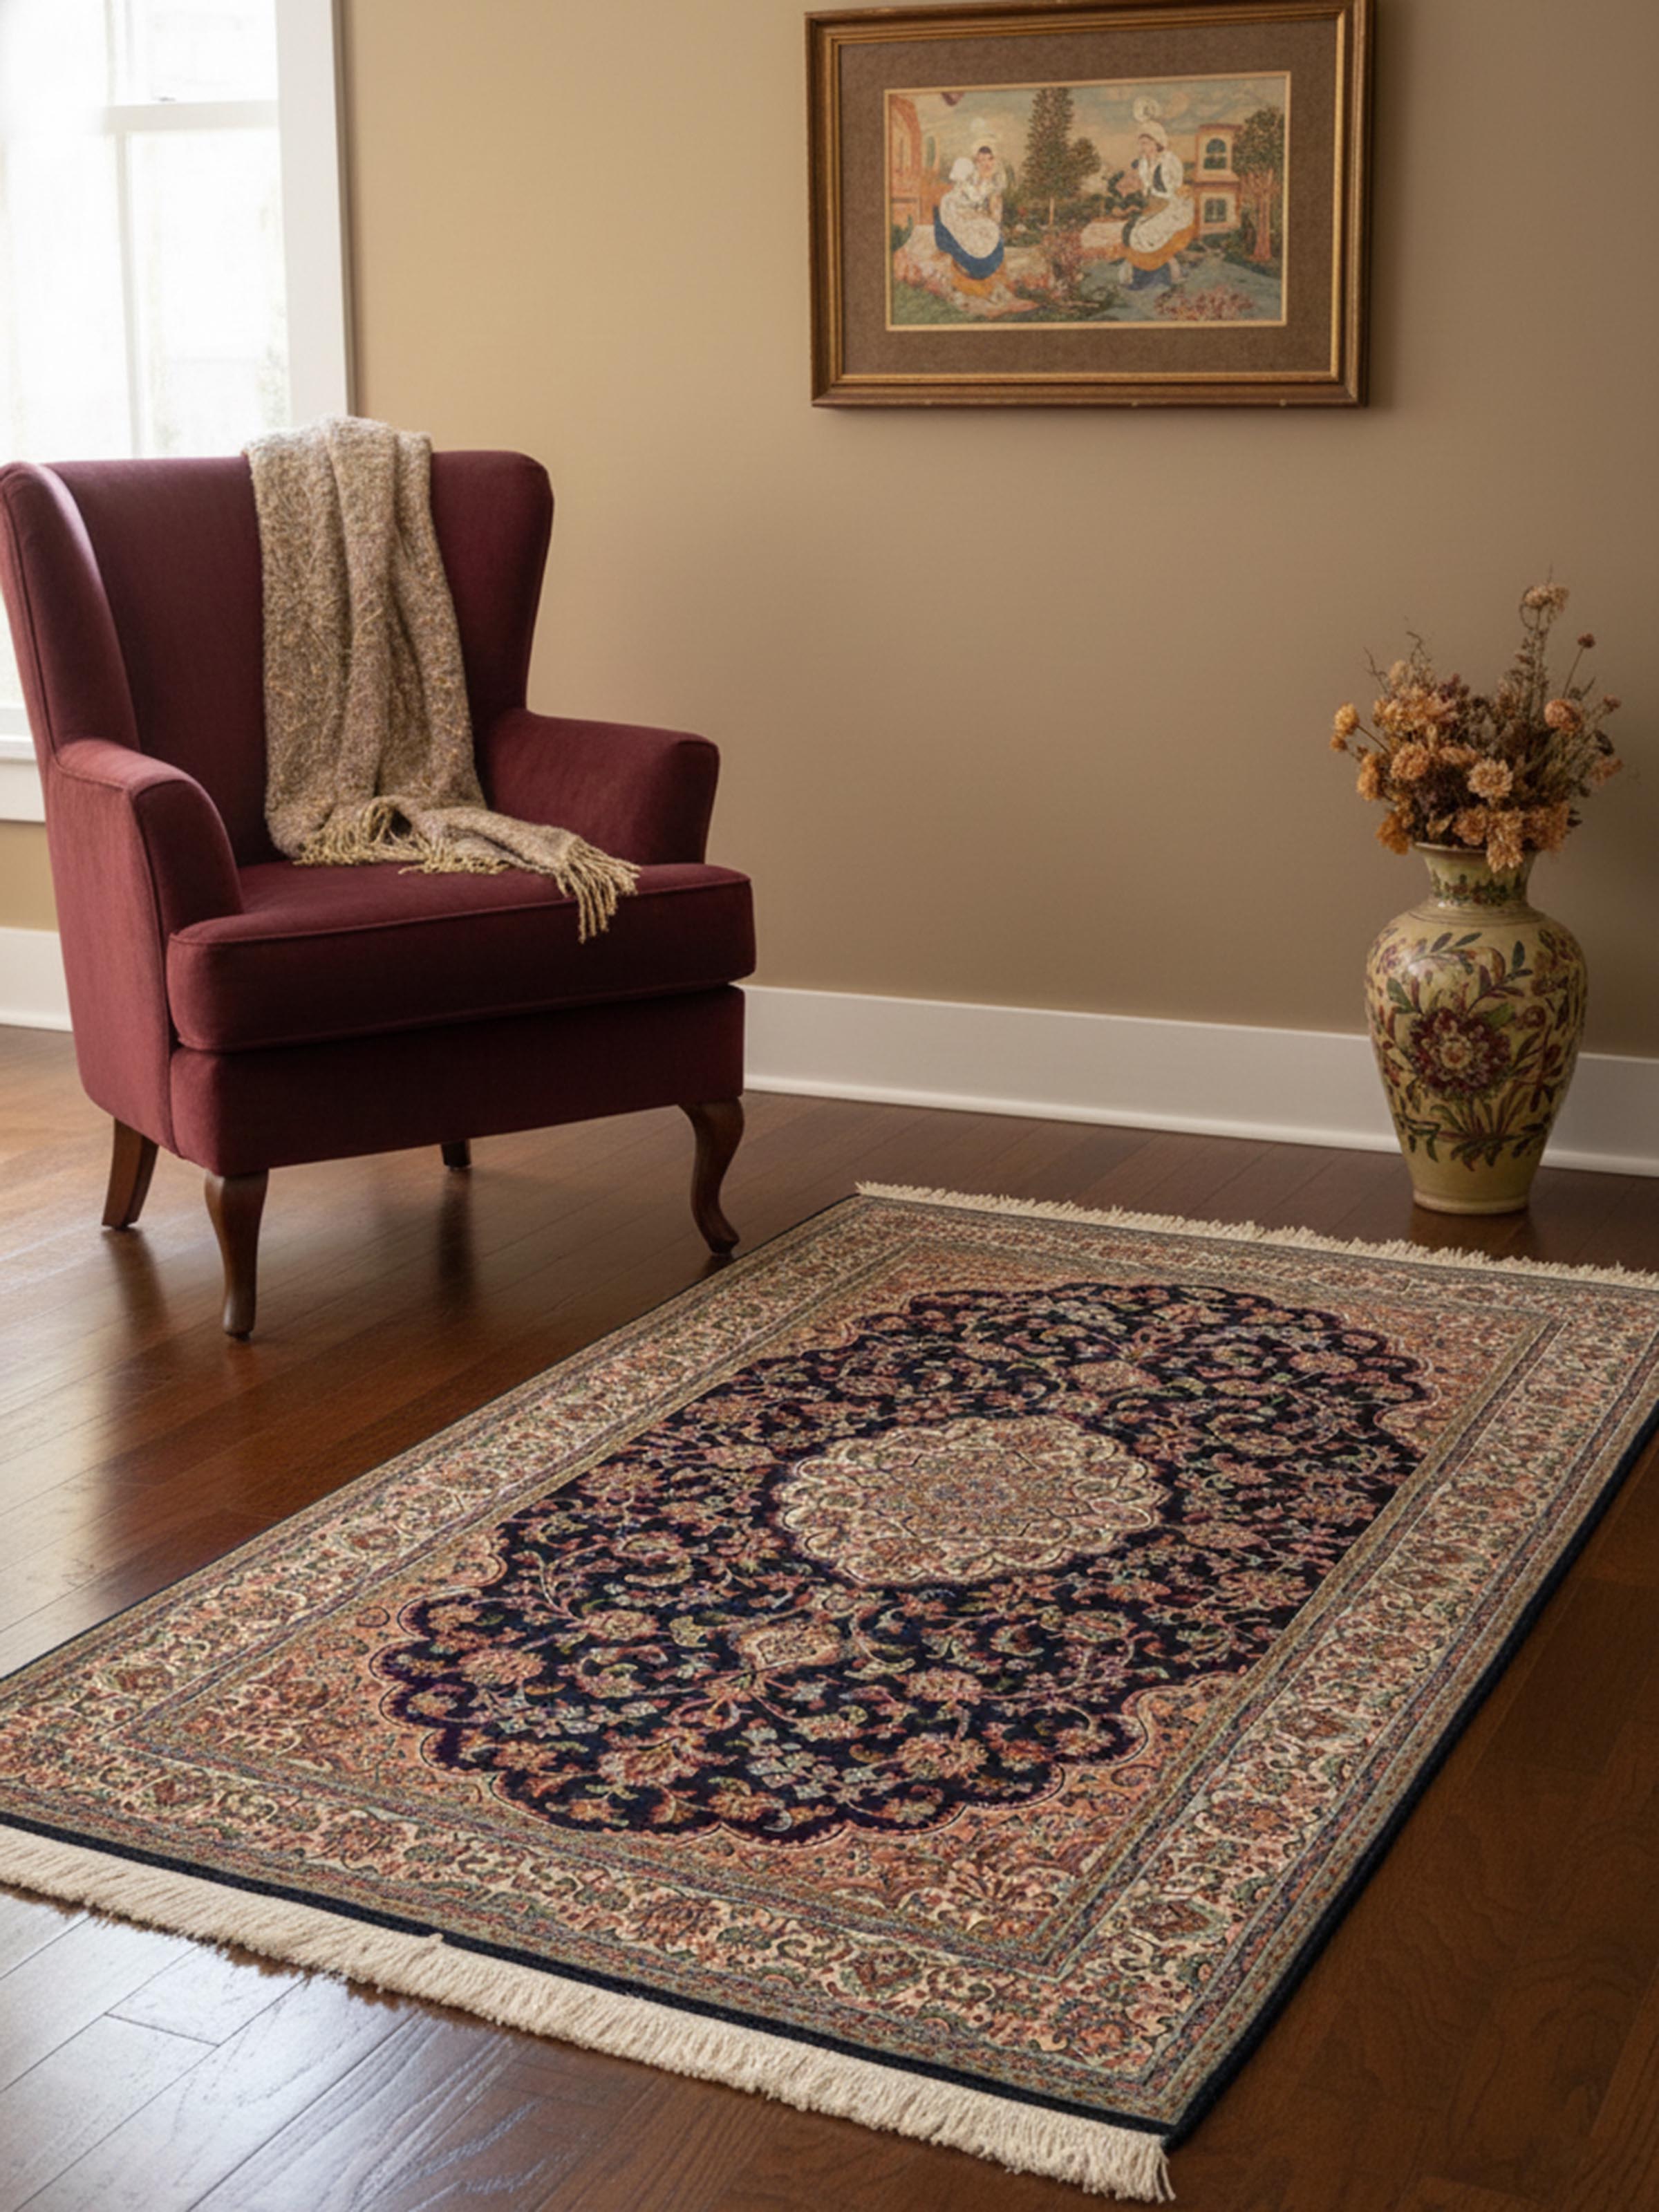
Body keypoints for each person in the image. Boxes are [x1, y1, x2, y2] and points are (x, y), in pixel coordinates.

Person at [1115, 101, 1194, 289]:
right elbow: (1144, 188)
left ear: (1157, 142)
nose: (1142, 147)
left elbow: (1176, 190)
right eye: (1140, 143)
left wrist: (1178, 195)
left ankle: (1168, 271)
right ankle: (1137, 272)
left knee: (1146, 233)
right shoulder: (1143, 163)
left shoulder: (1170, 161)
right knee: (1131, 229)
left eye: (1146, 143)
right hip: (1155, 205)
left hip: (1174, 207)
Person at [934, 141, 1005, 294]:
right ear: (976, 162)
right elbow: (965, 199)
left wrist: (984, 214)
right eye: (981, 160)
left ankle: (979, 268)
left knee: (989, 230)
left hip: (974, 216)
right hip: (955, 210)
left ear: (994, 160)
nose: (986, 164)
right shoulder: (969, 176)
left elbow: (995, 213)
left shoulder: (995, 182)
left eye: (990, 159)